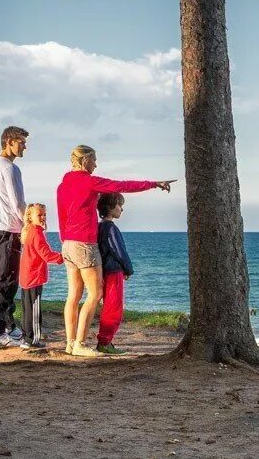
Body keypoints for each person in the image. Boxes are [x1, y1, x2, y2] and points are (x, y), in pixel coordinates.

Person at [55, 145, 173, 357]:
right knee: (95, 293)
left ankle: (70, 343)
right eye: (94, 161)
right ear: (85, 161)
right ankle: (81, 344)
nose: (96, 165)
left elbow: (62, 216)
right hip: (84, 243)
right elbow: (121, 186)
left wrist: (66, 241)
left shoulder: (62, 186)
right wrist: (153, 184)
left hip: (68, 243)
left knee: (73, 295)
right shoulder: (89, 181)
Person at [0, 125, 28, 348]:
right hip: (9, 229)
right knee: (7, 280)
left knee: (5, 277)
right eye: (21, 142)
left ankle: (10, 326)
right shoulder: (10, 169)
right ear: (9, 141)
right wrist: (28, 225)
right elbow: (17, 202)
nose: (24, 147)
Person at [17, 203, 64, 352]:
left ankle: (26, 337)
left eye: (44, 215)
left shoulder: (29, 231)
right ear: (30, 217)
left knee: (27, 308)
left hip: (26, 276)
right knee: (34, 309)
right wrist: (63, 257)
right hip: (34, 276)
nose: (43, 217)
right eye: (40, 215)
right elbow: (46, 255)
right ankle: (33, 339)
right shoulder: (37, 233)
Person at [95, 192, 133, 354]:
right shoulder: (110, 228)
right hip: (113, 271)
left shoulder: (99, 227)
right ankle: (104, 342)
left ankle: (105, 341)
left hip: (104, 270)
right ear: (110, 207)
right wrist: (128, 269)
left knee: (109, 306)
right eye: (120, 205)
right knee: (114, 307)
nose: (122, 209)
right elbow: (119, 250)